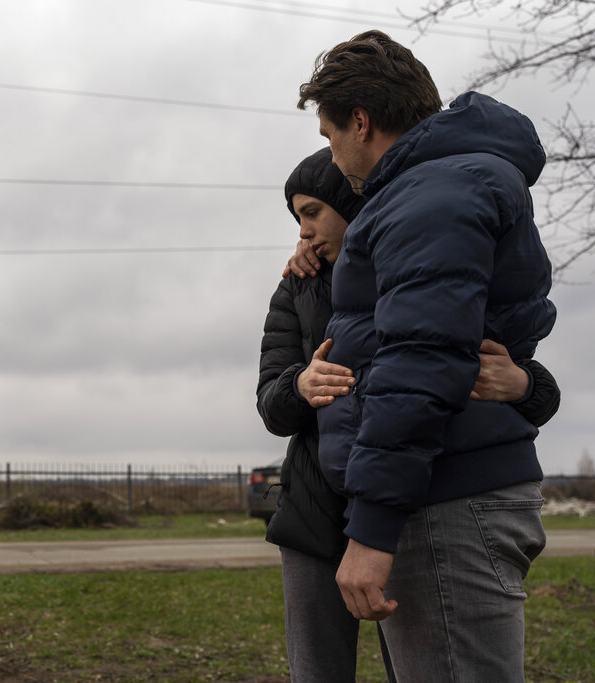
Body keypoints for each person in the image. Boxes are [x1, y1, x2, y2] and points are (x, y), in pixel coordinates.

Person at [293, 30, 556, 681]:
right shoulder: (436, 187)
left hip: (446, 503)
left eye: (330, 136)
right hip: (444, 491)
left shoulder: (433, 195)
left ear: (360, 121)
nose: (335, 155)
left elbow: (418, 360)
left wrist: (373, 527)